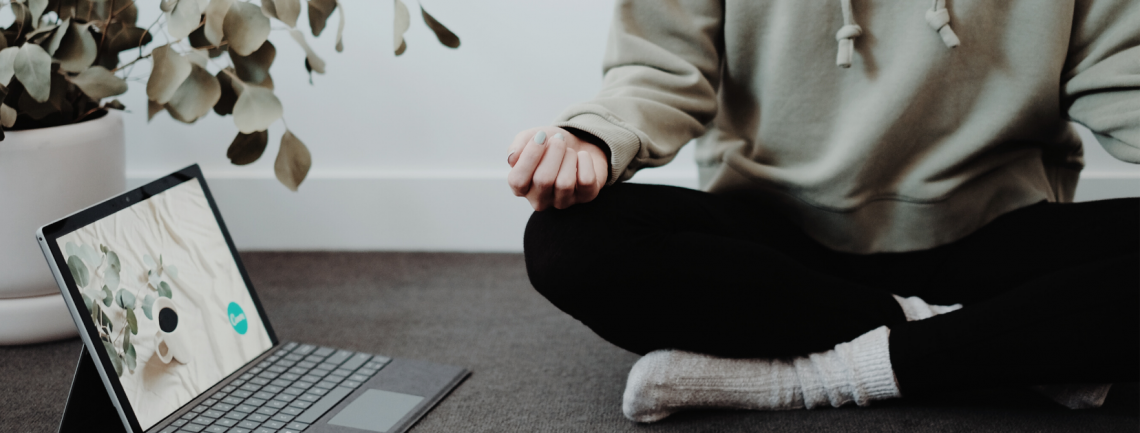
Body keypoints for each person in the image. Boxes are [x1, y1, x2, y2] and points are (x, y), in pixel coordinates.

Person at [505, 0, 1140, 423]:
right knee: (571, 242)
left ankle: (814, 378)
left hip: (991, 233)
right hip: (781, 247)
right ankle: (998, 338)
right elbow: (659, 70)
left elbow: (1122, 76)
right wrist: (591, 137)